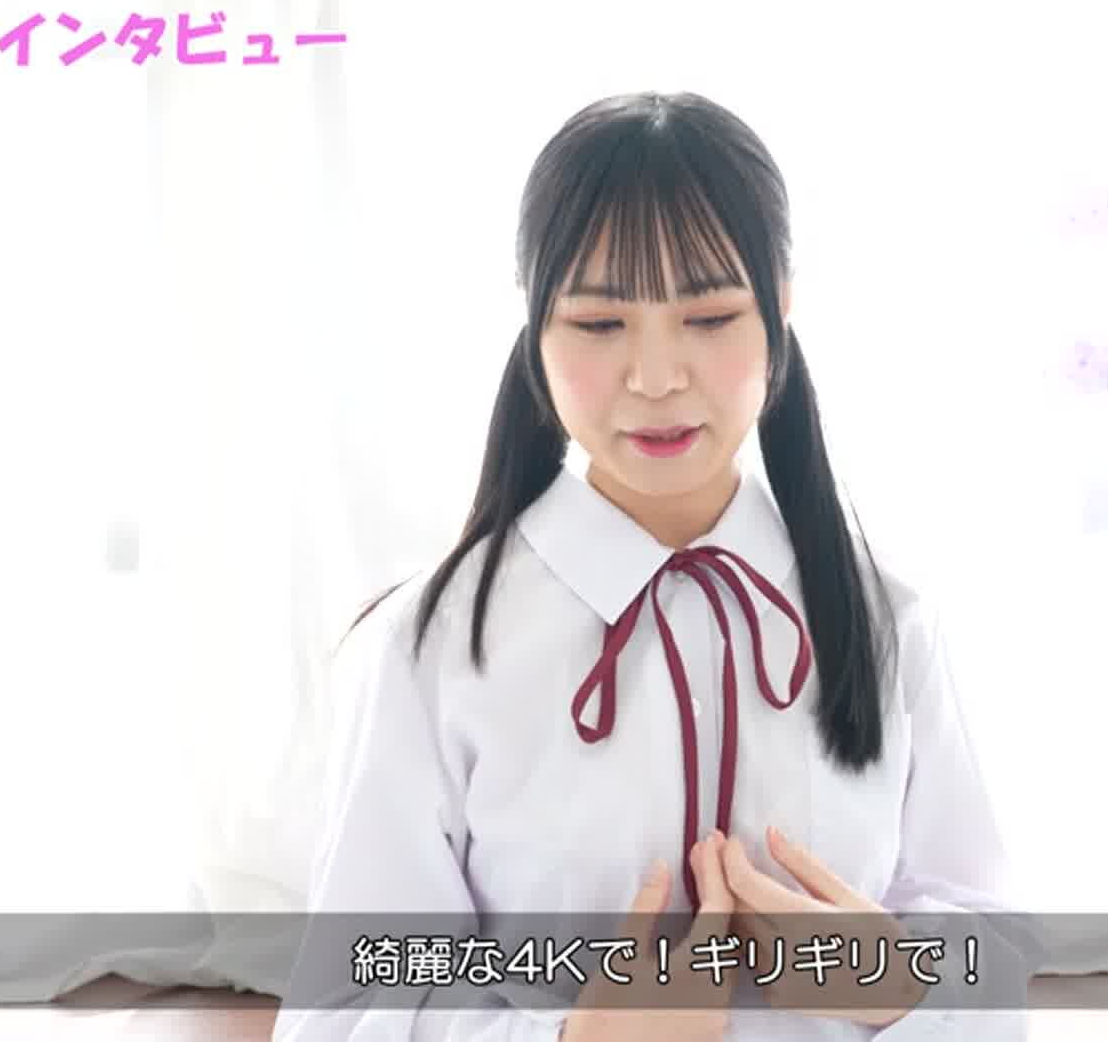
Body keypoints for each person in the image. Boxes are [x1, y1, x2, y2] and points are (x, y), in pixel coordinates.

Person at [273, 91, 1042, 1041]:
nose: (656, 376)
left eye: (710, 317)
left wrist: (891, 983)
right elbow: (342, 1015)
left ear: (780, 310)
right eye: (600, 325)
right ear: (535, 327)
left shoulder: (888, 620)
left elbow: (993, 956)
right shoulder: (426, 648)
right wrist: (572, 1038)